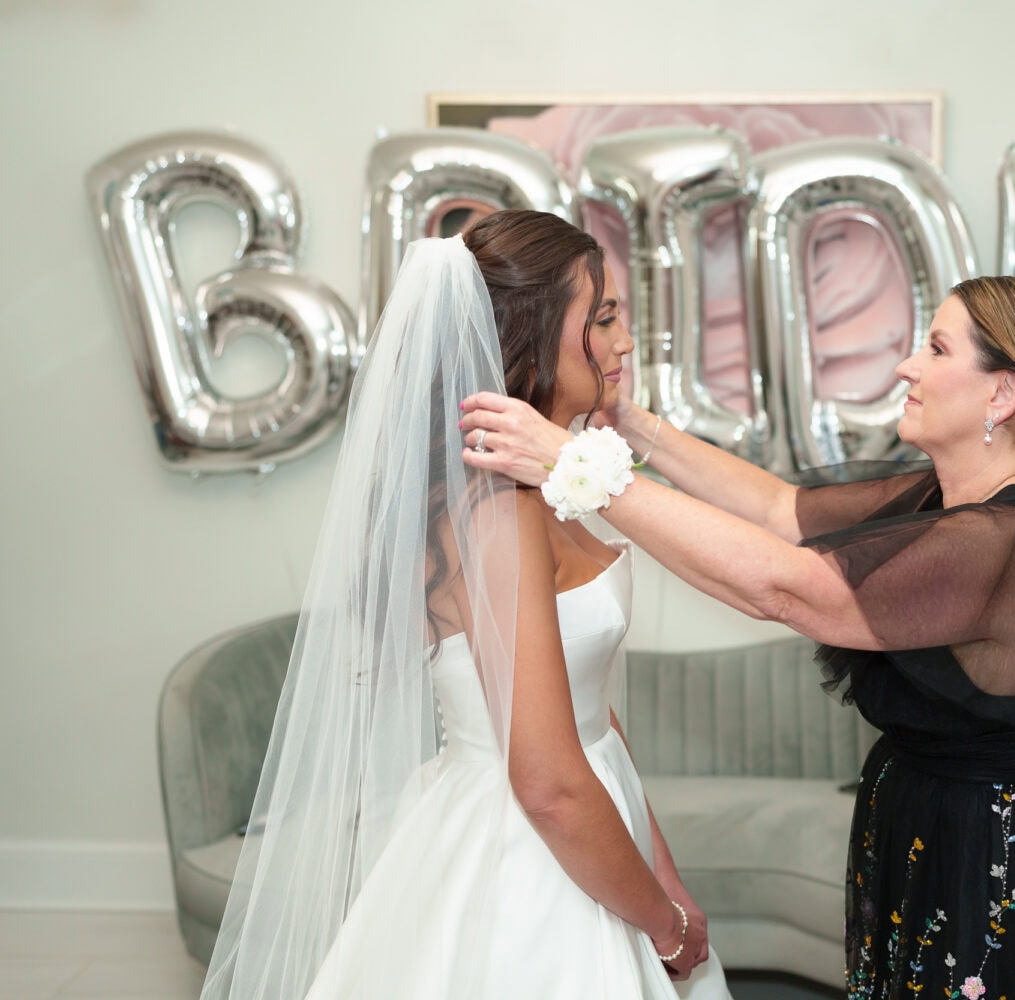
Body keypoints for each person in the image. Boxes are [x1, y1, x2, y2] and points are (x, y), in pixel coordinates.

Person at [460, 275, 1015, 999]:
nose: (906, 367)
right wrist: (629, 424)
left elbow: (787, 587)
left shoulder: (1001, 540)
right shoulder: (942, 497)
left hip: (997, 853)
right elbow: (778, 507)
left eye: (937, 349)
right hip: (932, 824)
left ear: (1002, 395)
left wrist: (573, 466)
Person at [201, 209, 731, 999]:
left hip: (594, 822)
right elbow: (548, 782)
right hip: (529, 859)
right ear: (531, 332)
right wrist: (664, 924)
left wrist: (664, 874)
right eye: (607, 317)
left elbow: (590, 715)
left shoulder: (537, 488)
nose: (624, 343)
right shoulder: (498, 511)